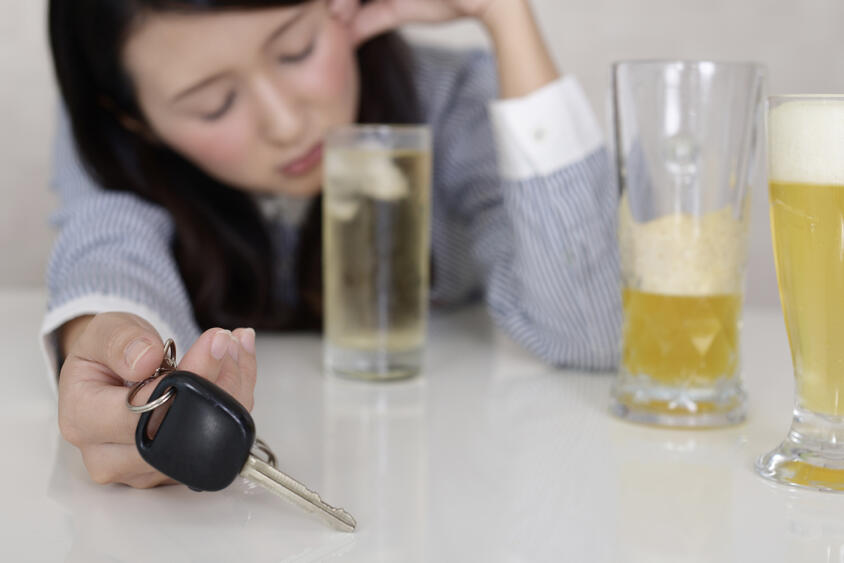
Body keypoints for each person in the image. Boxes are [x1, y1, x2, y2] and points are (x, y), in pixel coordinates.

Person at [45, 0, 620, 487]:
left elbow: (591, 331)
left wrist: (506, 15)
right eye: (212, 105)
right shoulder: (114, 150)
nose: (287, 122)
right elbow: (108, 252)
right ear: (132, 120)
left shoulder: (456, 103)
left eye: (296, 49)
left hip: (447, 459)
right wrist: (102, 350)